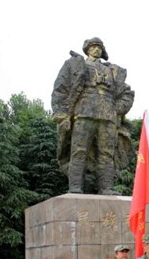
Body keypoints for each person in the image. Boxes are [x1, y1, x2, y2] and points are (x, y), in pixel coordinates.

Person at [52, 37, 134, 195]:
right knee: (78, 151)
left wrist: (117, 109)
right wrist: (63, 115)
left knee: (107, 154)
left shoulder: (113, 70)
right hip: (83, 114)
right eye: (93, 47)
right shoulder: (75, 65)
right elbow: (60, 89)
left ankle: (107, 188)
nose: (96, 49)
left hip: (107, 117)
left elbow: (126, 94)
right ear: (87, 49)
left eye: (99, 47)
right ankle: (75, 187)